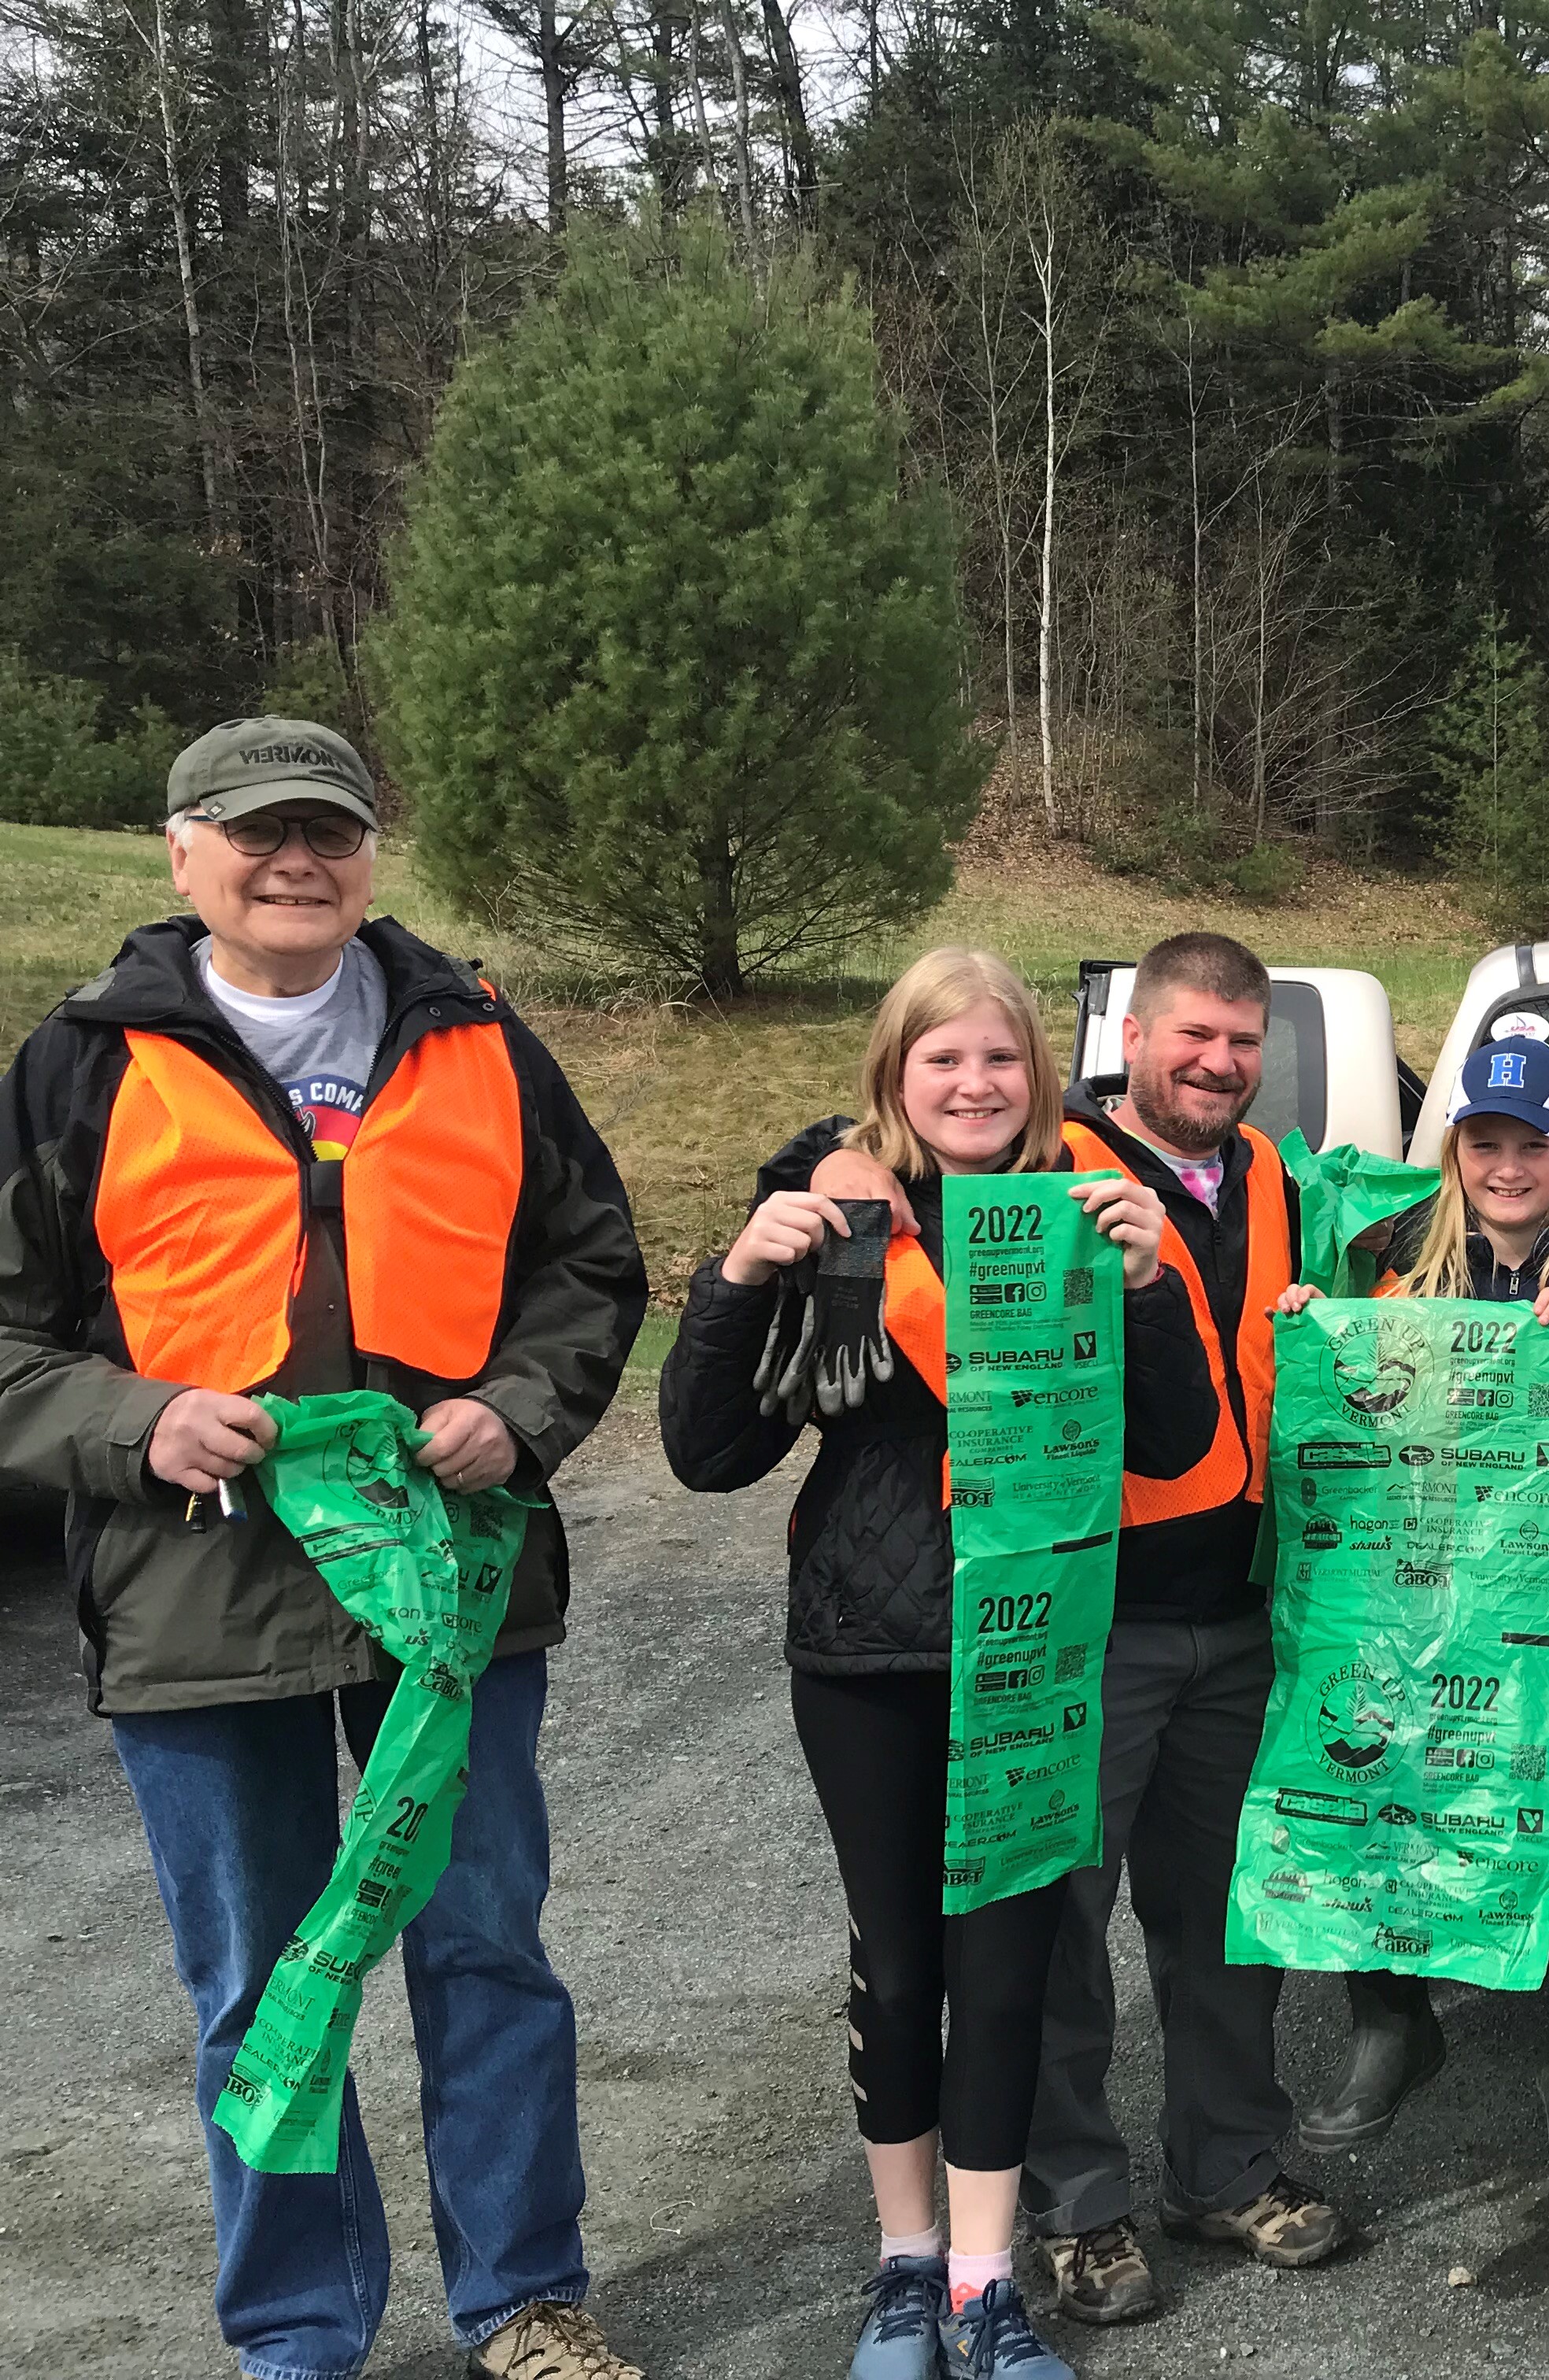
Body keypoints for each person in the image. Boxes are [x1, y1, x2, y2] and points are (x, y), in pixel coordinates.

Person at [0, 719, 649, 2380]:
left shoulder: (482, 1036)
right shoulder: (80, 1062)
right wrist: (135, 1421)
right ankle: (298, 2329)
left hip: (454, 1583)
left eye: (331, 833)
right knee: (253, 1980)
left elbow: (590, 1264)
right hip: (198, 1598)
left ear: (372, 855)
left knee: (485, 1943)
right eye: (258, 832)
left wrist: (519, 1408)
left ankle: (525, 2297)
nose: (298, 861)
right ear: (182, 852)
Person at [660, 948, 1222, 2378]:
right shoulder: (836, 1210)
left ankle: (986, 2286)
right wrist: (739, 1274)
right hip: (867, 1648)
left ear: (1037, 1074)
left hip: (1032, 1650)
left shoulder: (1094, 1213)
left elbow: (1169, 1447)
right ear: (893, 1076)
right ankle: (904, 2270)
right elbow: (706, 1453)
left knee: (1011, 1965)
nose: (974, 1085)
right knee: (904, 1969)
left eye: (1000, 1060)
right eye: (942, 1061)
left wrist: (1152, 1285)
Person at [806, 929, 1349, 2328]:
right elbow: (889, 1147)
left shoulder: (1278, 1176)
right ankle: (1073, 2206)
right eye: (1193, 1037)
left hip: (1238, 1605)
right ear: (1132, 1042)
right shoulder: (1053, 1168)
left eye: (1242, 1041)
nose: (1219, 1063)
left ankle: (1226, 2164)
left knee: (1224, 1919)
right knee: (1052, 1922)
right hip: (1086, 1608)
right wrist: (833, 1167)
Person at [1276, 1037, 1549, 2182]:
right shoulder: (1396, 1286)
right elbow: (1360, 1450)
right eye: (1484, 1144)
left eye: (1529, 1143)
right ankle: (1391, 2017)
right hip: (1427, 1597)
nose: (1506, 1166)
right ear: (1454, 1154)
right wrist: (1314, 1339)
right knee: (1355, 1747)